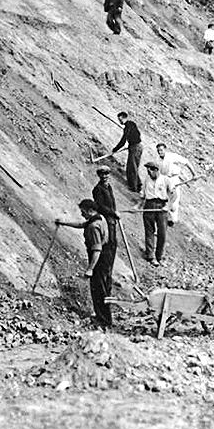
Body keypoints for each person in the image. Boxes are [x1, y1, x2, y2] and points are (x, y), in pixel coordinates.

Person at [56, 199, 113, 329]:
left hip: (99, 259)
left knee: (98, 290)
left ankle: (103, 320)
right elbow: (82, 224)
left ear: (89, 210)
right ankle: (104, 318)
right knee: (102, 288)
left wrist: (90, 269)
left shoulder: (94, 227)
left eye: (83, 212)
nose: (82, 214)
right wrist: (64, 223)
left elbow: (97, 250)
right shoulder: (99, 218)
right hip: (106, 257)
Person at [140, 161, 174, 266]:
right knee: (149, 231)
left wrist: (168, 206)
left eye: (150, 170)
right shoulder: (146, 179)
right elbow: (143, 195)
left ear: (156, 170)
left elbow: (174, 194)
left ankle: (159, 256)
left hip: (161, 207)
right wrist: (138, 205)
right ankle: (150, 256)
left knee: (162, 233)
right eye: (147, 170)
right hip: (149, 205)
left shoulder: (166, 180)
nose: (149, 173)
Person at [155, 143, 196, 226]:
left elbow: (186, 162)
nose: (160, 152)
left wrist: (194, 174)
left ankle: (173, 220)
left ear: (165, 149)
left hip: (174, 179)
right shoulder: (158, 160)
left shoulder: (172, 156)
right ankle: (165, 217)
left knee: (174, 200)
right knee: (163, 199)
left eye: (161, 150)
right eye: (158, 151)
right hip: (164, 180)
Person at [112, 111, 142, 192]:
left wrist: (115, 149)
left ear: (124, 118)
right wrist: (132, 142)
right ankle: (139, 185)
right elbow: (138, 134)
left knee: (131, 168)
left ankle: (133, 187)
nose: (119, 121)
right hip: (139, 146)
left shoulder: (127, 127)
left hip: (134, 148)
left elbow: (123, 140)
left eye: (120, 119)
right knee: (135, 166)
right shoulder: (132, 124)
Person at [92, 165, 119, 252]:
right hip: (104, 219)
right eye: (101, 174)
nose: (104, 176)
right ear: (99, 175)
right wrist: (113, 213)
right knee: (108, 243)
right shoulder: (97, 189)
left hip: (112, 219)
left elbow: (112, 202)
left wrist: (115, 212)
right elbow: (100, 206)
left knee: (113, 242)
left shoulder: (108, 187)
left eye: (106, 174)